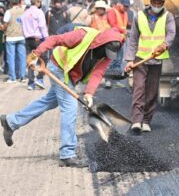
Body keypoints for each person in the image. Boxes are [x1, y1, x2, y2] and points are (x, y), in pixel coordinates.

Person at [0, 27, 124, 168]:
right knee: (70, 108)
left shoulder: (108, 54)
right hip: (58, 67)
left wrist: (89, 93)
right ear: (101, 43)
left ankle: (11, 122)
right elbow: (54, 39)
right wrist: (36, 54)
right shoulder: (82, 35)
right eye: (106, 51)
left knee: (48, 102)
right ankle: (67, 154)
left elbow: (98, 73)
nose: (106, 55)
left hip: (70, 75)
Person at [124, 0, 176, 133]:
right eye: (155, 2)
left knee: (152, 91)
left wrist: (165, 44)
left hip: (156, 59)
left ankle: (146, 120)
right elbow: (133, 39)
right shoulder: (139, 16)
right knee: (139, 89)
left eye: (160, 3)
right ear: (150, 2)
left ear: (163, 3)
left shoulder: (168, 16)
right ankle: (136, 121)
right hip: (140, 59)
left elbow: (171, 33)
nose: (157, 5)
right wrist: (129, 59)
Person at [21, 0, 49, 90]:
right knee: (45, 59)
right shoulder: (39, 12)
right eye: (40, 2)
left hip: (28, 39)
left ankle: (31, 83)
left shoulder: (25, 13)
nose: (40, 3)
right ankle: (40, 78)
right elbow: (42, 26)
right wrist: (46, 38)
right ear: (37, 2)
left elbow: (23, 27)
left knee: (31, 60)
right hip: (38, 40)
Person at [1, 0, 26, 83]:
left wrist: (1, 26)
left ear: (10, 3)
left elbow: (5, 26)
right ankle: (22, 76)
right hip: (21, 36)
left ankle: (12, 77)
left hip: (11, 37)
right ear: (18, 2)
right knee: (22, 57)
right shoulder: (23, 11)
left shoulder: (9, 12)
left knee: (11, 58)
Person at [105, 0, 129, 88]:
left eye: (127, 7)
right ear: (119, 4)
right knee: (111, 60)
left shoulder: (125, 13)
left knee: (118, 61)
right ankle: (108, 80)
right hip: (112, 40)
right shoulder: (112, 11)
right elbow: (113, 24)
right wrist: (124, 30)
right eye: (125, 6)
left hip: (120, 40)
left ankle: (115, 81)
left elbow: (126, 24)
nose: (126, 8)